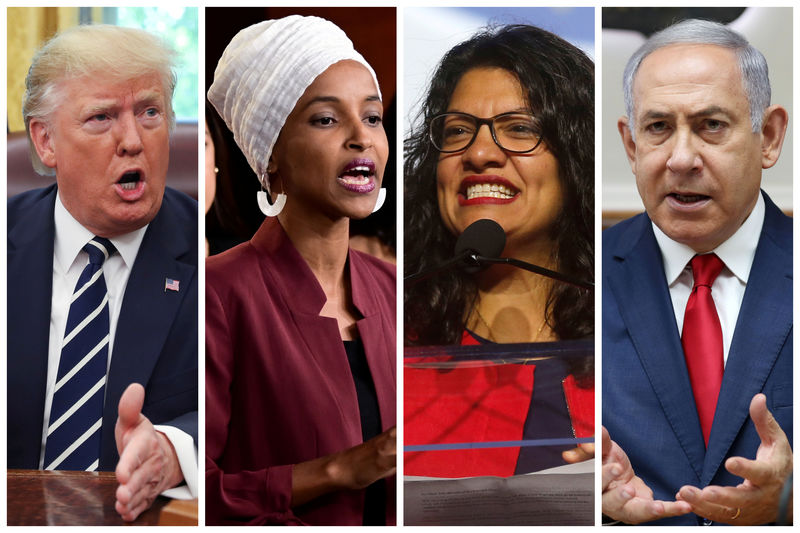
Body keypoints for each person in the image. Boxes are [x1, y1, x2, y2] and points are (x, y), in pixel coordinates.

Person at [205, 15, 396, 526]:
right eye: (327, 119)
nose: (362, 138)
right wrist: (340, 470)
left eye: (373, 117)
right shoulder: (217, 296)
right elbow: (195, 493)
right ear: (270, 157)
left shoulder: (399, 292)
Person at [602, 19, 792, 525]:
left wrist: (792, 500)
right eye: (658, 127)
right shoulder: (572, 276)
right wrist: (584, 496)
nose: (681, 159)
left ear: (769, 137)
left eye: (711, 125)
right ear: (631, 144)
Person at [7, 24, 198, 522]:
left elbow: (250, 407)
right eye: (101, 117)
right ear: (46, 142)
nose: (133, 141)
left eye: (150, 112)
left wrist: (175, 450)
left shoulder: (215, 250)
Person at [404, 24, 594, 479]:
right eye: (457, 131)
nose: (479, 153)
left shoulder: (632, 327)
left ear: (575, 156)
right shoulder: (392, 326)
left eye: (519, 128)